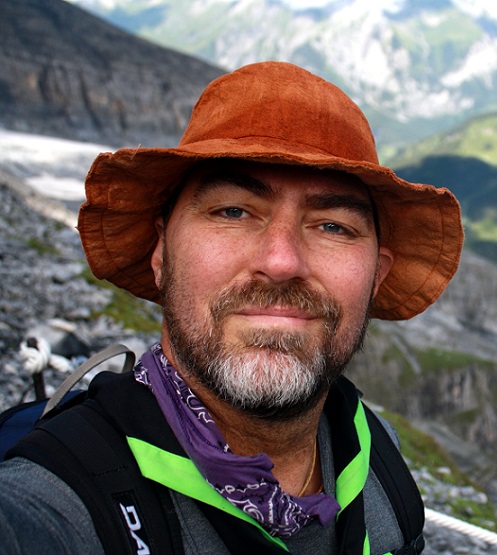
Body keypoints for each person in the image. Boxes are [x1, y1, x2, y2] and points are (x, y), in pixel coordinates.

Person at [0, 61, 463, 554]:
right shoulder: (63, 496)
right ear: (162, 252)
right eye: (233, 211)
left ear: (377, 277)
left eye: (333, 226)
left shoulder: (377, 454)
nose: (281, 262)